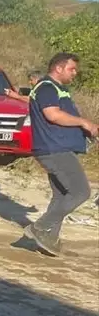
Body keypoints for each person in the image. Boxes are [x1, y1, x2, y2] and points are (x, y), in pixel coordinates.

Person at [22, 52, 98, 257]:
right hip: (54, 150)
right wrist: (84, 122)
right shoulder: (47, 87)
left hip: (54, 148)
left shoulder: (56, 89)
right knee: (80, 192)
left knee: (62, 194)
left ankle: (48, 239)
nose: (75, 73)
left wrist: (84, 132)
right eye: (72, 69)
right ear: (59, 68)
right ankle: (40, 228)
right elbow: (53, 115)